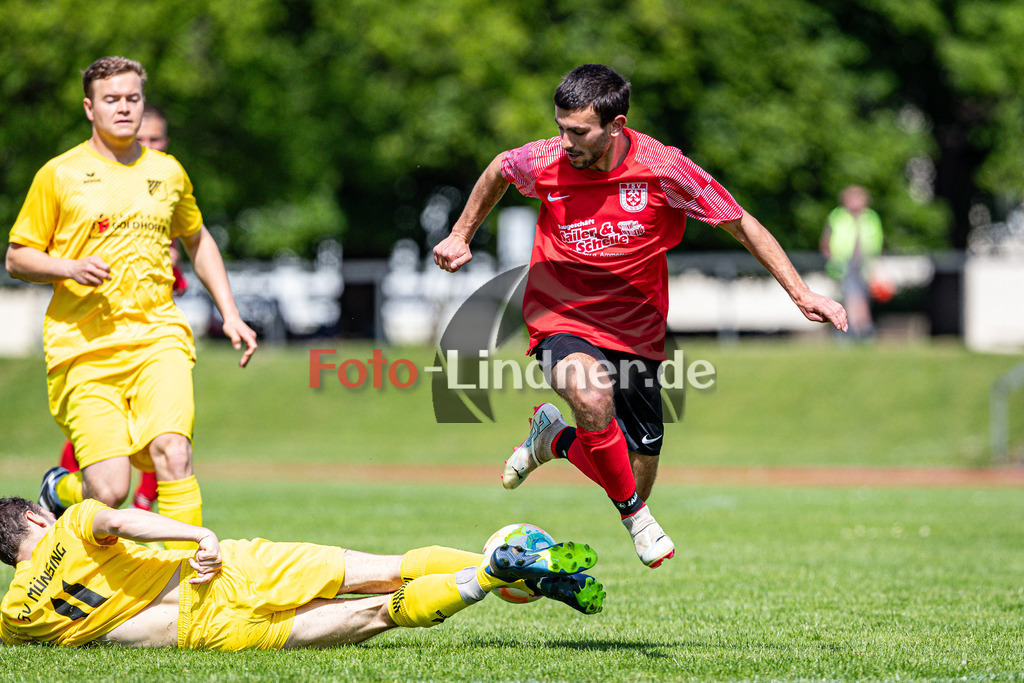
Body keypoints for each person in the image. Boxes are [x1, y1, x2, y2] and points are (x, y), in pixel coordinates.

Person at [433, 64, 848, 569]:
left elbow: (740, 223)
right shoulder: (545, 160)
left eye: (578, 132)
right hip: (560, 315)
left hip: (637, 330)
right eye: (560, 127)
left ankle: (555, 439)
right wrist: (461, 234)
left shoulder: (664, 169)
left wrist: (801, 293)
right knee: (591, 397)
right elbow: (500, 168)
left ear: (616, 125)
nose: (564, 142)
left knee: (634, 471)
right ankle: (636, 518)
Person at [4, 56, 257, 550]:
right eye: (111, 99)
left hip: (158, 337)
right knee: (109, 490)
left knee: (174, 454)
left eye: (132, 98)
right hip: (84, 348)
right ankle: (61, 490)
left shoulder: (168, 171)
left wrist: (230, 313)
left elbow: (197, 239)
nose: (123, 108)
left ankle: (191, 576)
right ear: (89, 108)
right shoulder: (59, 174)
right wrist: (68, 267)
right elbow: (17, 258)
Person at [0, 496, 605, 649]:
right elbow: (122, 520)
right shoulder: (71, 523)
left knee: (377, 613)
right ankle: (516, 570)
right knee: (388, 570)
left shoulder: (16, 616)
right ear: (32, 516)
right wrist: (198, 534)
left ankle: (489, 578)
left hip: (204, 632)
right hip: (229, 568)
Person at [57, 103, 183, 513]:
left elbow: (182, 262)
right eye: (139, 138)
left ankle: (153, 523)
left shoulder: (168, 188)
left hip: (152, 342)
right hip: (97, 344)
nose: (146, 144)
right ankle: (61, 492)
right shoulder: (88, 183)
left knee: (170, 442)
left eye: (154, 138)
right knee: (105, 480)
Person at [820, 185, 884, 339]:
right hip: (843, 263)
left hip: (865, 262)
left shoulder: (871, 217)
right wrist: (832, 258)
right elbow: (826, 241)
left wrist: (878, 263)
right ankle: (852, 328)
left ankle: (863, 327)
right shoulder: (837, 216)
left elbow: (878, 240)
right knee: (851, 294)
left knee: (862, 295)